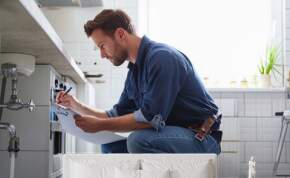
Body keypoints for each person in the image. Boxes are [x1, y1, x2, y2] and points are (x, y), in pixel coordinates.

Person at [56, 9, 222, 154]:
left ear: (120, 34)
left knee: (138, 140)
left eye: (102, 45)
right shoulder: (135, 71)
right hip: (175, 134)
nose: (102, 54)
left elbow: (150, 119)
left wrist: (101, 125)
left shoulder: (162, 58)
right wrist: (75, 105)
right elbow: (115, 115)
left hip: (201, 137)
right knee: (110, 147)